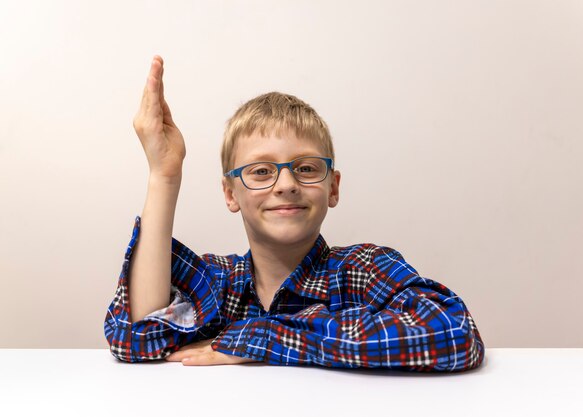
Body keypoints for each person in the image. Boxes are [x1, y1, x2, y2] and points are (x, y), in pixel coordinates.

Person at [103, 55, 486, 371]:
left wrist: (263, 337)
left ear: (332, 187)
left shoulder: (364, 268)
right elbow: (137, 336)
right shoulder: (221, 283)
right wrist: (164, 175)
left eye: (305, 168)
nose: (286, 184)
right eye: (261, 171)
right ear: (230, 192)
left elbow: (454, 332)